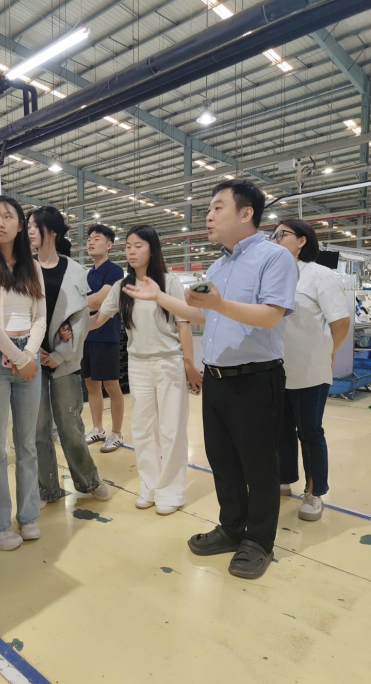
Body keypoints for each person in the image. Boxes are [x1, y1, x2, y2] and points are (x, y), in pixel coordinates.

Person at [123, 181, 298, 578]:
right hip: (217, 378)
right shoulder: (218, 266)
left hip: (256, 377)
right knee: (223, 460)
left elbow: (271, 314)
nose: (208, 216)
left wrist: (219, 302)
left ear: (246, 213)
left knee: (258, 465)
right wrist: (160, 298)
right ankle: (232, 528)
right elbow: (204, 315)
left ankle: (259, 541)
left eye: (218, 207)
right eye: (208, 209)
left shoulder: (275, 257)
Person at [90, 225, 201, 515]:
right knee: (142, 429)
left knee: (172, 429)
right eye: (128, 246)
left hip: (169, 362)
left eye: (138, 245)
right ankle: (149, 486)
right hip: (138, 364)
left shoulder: (169, 282)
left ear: (152, 249)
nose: (131, 251)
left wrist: (189, 364)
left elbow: (184, 324)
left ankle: (171, 491)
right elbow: (99, 319)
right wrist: (69, 326)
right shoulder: (122, 287)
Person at [0, 195, 46, 550]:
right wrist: (19, 357)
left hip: (28, 358)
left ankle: (28, 516)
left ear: (20, 224)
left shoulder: (32, 266)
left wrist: (29, 354)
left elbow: (40, 316)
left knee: (28, 443)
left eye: (6, 216)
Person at [26, 206, 110, 504]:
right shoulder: (24, 268)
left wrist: (60, 354)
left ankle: (88, 481)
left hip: (65, 361)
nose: (30, 231)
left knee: (71, 426)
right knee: (38, 431)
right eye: (28, 225)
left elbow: (80, 320)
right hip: (30, 359)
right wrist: (31, 350)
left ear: (51, 231)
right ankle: (47, 488)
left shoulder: (75, 271)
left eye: (35, 225)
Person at [270, 219, 350, 521]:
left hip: (310, 371)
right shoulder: (274, 276)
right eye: (273, 235)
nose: (275, 239)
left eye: (282, 234)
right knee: (281, 430)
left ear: (302, 241)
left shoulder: (319, 275)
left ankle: (315, 492)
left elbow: (340, 321)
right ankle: (283, 479)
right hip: (278, 369)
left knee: (310, 432)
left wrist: (328, 352)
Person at [82, 225, 125, 452]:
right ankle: (98, 428)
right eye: (89, 238)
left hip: (106, 336)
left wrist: (77, 305)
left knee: (111, 385)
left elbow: (100, 301)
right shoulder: (88, 274)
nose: (91, 242)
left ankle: (117, 433)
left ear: (109, 245)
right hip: (86, 335)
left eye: (96, 239)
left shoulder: (114, 271)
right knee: (91, 385)